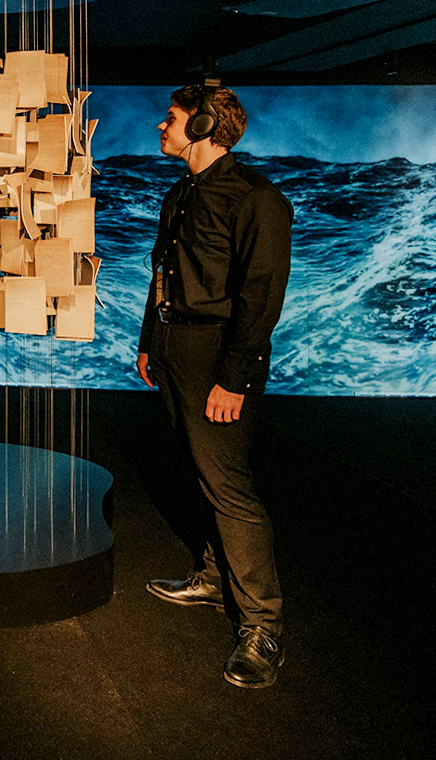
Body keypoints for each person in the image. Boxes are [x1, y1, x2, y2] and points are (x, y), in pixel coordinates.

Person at [135, 83, 293, 688]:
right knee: (199, 470)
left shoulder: (257, 200)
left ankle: (263, 626)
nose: (160, 127)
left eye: (169, 119)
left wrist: (233, 379)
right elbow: (162, 271)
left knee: (228, 484)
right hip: (175, 346)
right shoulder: (181, 192)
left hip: (218, 354)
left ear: (200, 125)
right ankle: (212, 577)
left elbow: (261, 300)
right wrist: (151, 341)